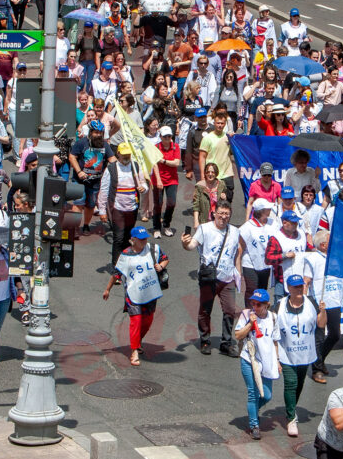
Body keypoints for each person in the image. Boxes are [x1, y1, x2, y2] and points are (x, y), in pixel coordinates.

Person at [103, 226, 168, 366]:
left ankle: (138, 341)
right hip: (133, 294)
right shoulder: (126, 255)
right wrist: (107, 289)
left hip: (150, 292)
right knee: (136, 321)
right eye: (141, 239)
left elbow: (165, 259)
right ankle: (134, 351)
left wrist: (161, 266)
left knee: (148, 321)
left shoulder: (153, 249)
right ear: (133, 240)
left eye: (145, 238)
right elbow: (116, 274)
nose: (144, 241)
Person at [183, 200, 240, 356]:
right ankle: (205, 340)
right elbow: (191, 246)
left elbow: (238, 252)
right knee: (205, 310)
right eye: (220, 213)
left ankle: (226, 343)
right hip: (209, 277)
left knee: (230, 310)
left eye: (227, 214)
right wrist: (185, 243)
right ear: (214, 213)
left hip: (227, 278)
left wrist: (238, 273)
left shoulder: (235, 231)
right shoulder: (204, 229)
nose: (223, 217)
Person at [277, 273, 327, 437]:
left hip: (305, 353)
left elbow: (321, 324)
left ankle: (291, 407)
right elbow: (270, 324)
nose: (299, 289)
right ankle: (291, 418)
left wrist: (323, 311)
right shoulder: (279, 305)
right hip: (287, 353)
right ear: (288, 288)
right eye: (295, 286)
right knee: (291, 383)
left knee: (299, 383)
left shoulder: (311, 302)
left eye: (301, 286)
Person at [234, 288, 280, 440]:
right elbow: (238, 335)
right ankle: (254, 425)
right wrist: (250, 324)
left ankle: (253, 411)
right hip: (249, 359)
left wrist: (277, 361)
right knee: (253, 393)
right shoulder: (246, 315)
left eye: (259, 304)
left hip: (266, 361)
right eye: (253, 303)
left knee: (266, 395)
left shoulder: (273, 318)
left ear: (266, 305)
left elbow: (275, 341)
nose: (255, 307)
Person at [97, 142, 147, 266]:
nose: (126, 157)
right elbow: (104, 190)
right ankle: (116, 266)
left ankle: (125, 264)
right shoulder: (111, 168)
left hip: (132, 208)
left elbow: (143, 183)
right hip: (117, 208)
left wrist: (143, 188)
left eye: (128, 154)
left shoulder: (135, 166)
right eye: (124, 154)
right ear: (118, 154)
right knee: (118, 238)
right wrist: (102, 211)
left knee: (128, 238)